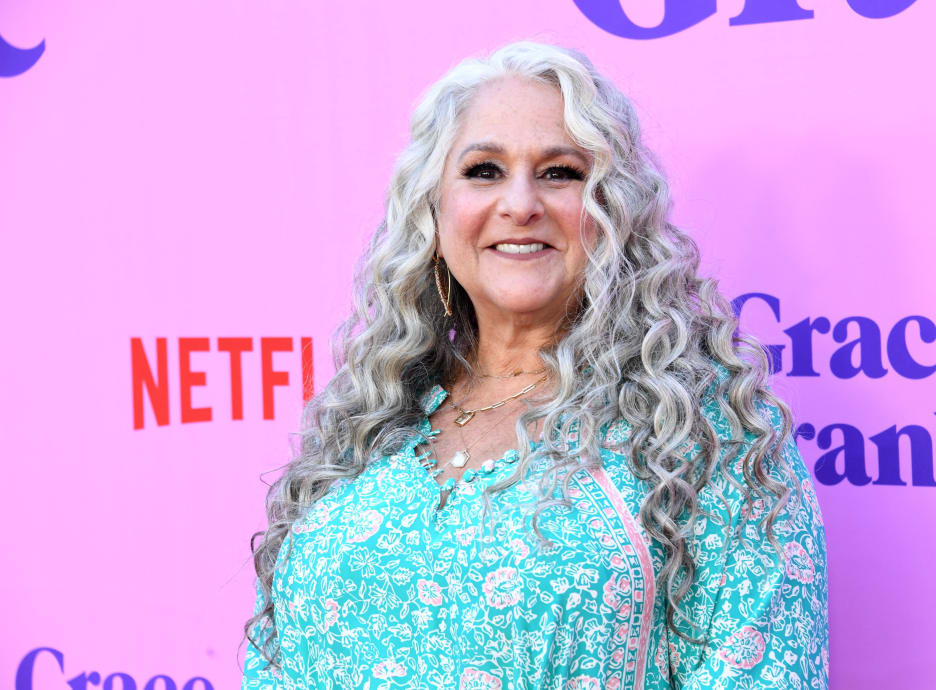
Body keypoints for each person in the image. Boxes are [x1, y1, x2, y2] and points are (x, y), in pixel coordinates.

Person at [240, 40, 828, 689]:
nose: (519, 203)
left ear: (614, 213)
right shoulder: (375, 417)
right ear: (434, 212)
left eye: (560, 173)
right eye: (483, 170)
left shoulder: (705, 432)